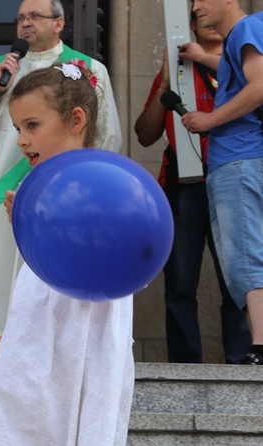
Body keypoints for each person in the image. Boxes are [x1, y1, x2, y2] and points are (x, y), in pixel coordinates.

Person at [0, 0, 123, 360]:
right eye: (20, 18)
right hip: (2, 193)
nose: (25, 24)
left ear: (59, 23)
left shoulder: (88, 69)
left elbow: (106, 137)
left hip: (64, 193)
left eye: (34, 17)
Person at [0, 63, 134, 445]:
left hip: (86, 331)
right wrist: (17, 329)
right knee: (22, 420)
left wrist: (47, 222)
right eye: (18, 129)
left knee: (79, 416)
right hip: (42, 331)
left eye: (32, 125)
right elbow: (37, 273)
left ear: (76, 120)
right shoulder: (38, 184)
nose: (21, 139)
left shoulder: (102, 182)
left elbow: (109, 261)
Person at [134, 10, 251, 364]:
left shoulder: (247, 62)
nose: (204, 16)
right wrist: (166, 82)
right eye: (197, 13)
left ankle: (242, 357)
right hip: (183, 186)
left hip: (233, 179)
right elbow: (144, 134)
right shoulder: (177, 68)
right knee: (180, 282)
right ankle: (184, 362)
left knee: (240, 277)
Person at [181, 0, 263, 365]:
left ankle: (260, 346)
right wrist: (201, 56)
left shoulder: (247, 28)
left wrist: (210, 120)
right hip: (241, 161)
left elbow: (260, 85)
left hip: (239, 160)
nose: (196, 6)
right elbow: (240, 73)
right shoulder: (240, 38)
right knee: (243, 259)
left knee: (245, 257)